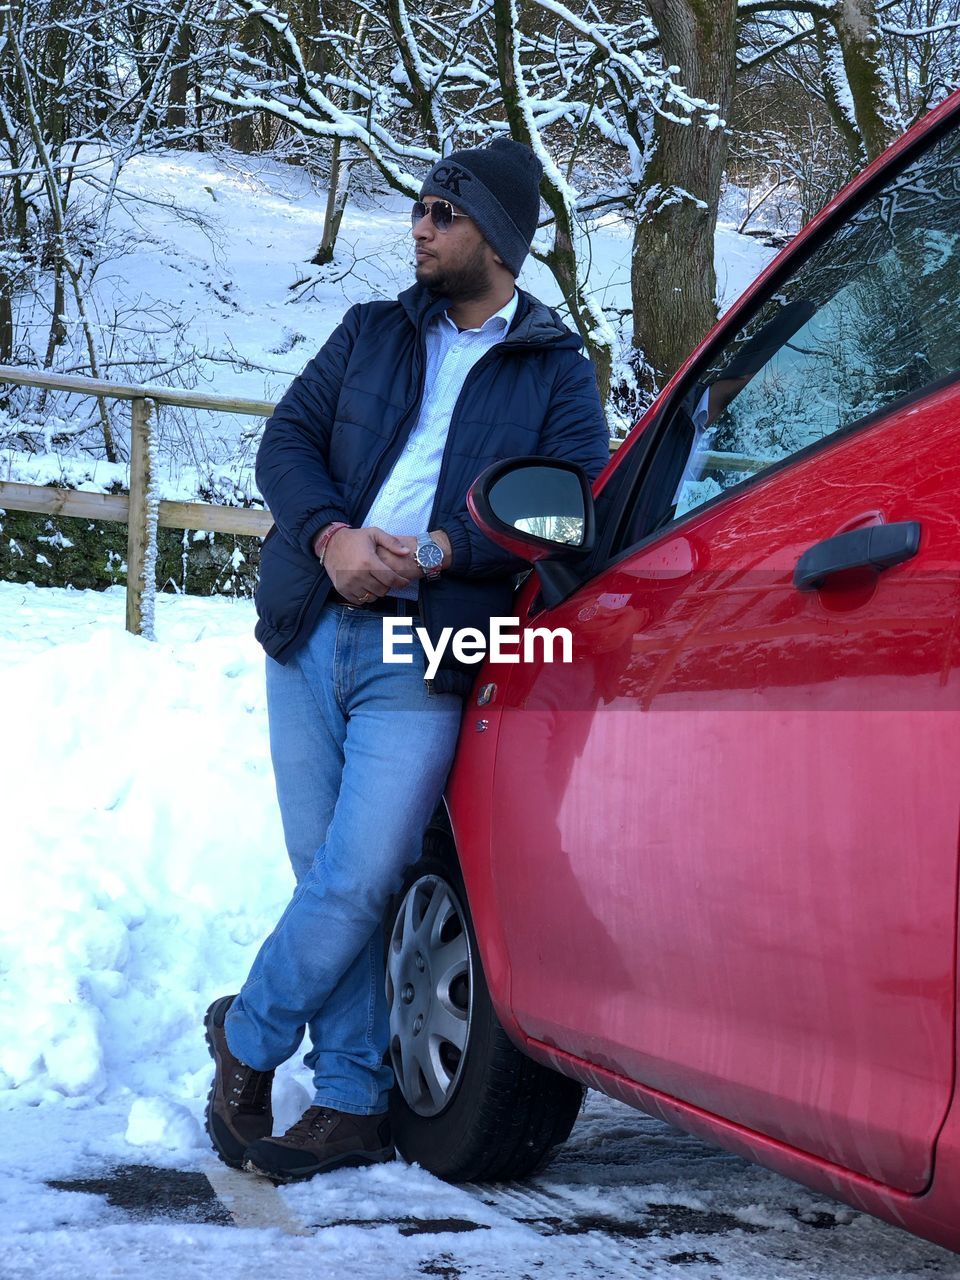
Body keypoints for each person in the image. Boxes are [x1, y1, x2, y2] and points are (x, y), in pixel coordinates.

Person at [203, 137, 611, 1184]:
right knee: (324, 878)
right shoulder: (373, 331)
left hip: (426, 646)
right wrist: (334, 538)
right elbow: (284, 442)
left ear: (499, 237)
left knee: (361, 873)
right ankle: (347, 1096)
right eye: (421, 208)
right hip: (309, 627)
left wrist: (439, 549)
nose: (420, 227)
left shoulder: (557, 371)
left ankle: (247, 1039)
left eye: (444, 213)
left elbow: (571, 507)